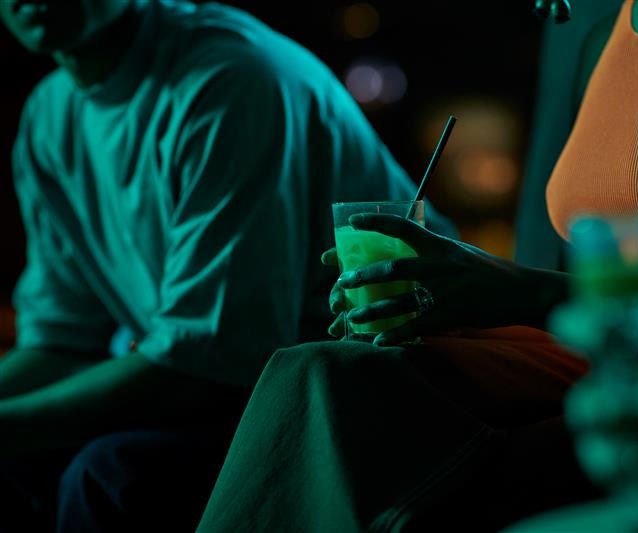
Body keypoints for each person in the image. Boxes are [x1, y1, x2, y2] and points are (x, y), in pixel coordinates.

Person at [198, 0, 638, 531]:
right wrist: (451, 302)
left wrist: (513, 289)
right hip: (582, 360)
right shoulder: (603, 38)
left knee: (338, 383)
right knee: (327, 367)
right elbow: (576, 291)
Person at [0, 0, 453, 530]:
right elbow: (62, 342)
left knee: (113, 476)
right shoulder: (50, 114)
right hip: (240, 391)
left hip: (359, 395)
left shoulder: (229, 79)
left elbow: (209, 368)